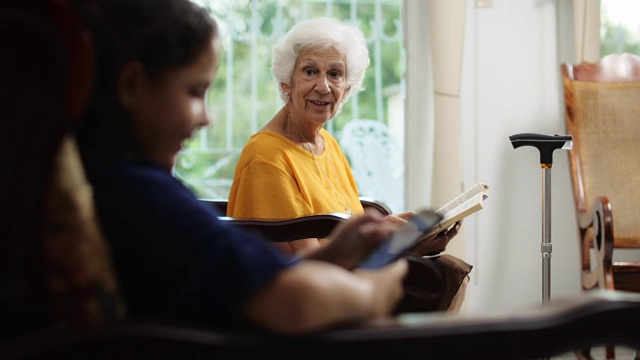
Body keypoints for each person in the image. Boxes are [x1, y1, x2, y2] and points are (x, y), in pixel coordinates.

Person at [71, 0, 411, 336]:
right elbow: (296, 303)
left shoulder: (119, 181)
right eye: (195, 91)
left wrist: (337, 252)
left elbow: (248, 278)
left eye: (335, 74)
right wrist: (379, 283)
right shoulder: (137, 193)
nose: (207, 118)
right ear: (131, 86)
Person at [227, 17, 472, 312]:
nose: (323, 86)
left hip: (343, 279)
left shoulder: (326, 143)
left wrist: (405, 238)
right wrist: (394, 244)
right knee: (441, 274)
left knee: (445, 268)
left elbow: (344, 226)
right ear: (286, 83)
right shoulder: (266, 156)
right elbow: (304, 269)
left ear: (346, 89)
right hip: (309, 300)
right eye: (309, 71)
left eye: (335, 74)